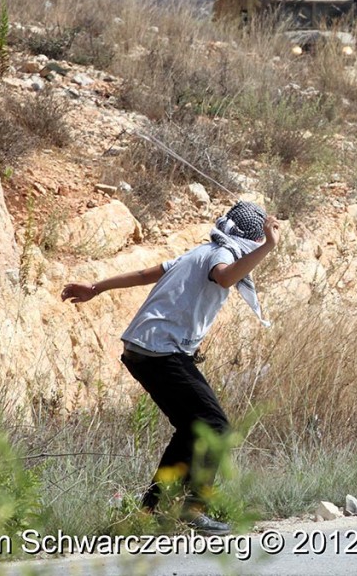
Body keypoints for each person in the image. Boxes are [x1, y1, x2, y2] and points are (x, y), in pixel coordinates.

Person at [61, 201, 280, 536]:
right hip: (161, 351)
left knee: (191, 428)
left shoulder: (199, 252)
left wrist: (96, 287)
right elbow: (224, 279)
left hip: (142, 349)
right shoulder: (221, 256)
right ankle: (192, 509)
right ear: (249, 240)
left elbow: (144, 274)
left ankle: (151, 510)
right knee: (215, 427)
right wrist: (270, 246)